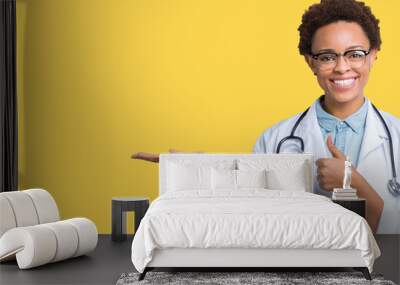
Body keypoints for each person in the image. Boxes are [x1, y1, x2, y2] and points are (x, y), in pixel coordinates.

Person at [132, 0, 400, 234]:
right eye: (327, 56)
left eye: (355, 54)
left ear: (374, 54)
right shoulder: (276, 140)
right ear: (311, 62)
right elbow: (250, 207)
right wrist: (205, 167)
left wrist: (353, 181)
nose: (342, 67)